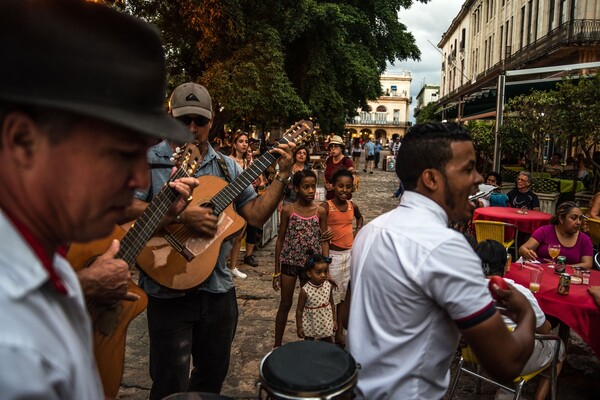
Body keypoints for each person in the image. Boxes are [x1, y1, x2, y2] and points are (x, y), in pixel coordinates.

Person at [0, 1, 197, 398]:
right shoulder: (16, 353)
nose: (141, 177)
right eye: (120, 153)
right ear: (24, 142)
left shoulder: (46, 258)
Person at [128, 82, 295, 399]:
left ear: (211, 122)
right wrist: (179, 217)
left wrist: (281, 177)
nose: (192, 128)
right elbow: (121, 208)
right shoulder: (147, 162)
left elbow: (256, 215)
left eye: (200, 121)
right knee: (168, 382)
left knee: (213, 375)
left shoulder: (227, 167)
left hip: (218, 291)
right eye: (183, 119)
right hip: (166, 289)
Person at [347, 122, 536, 399]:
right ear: (431, 179)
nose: (478, 178)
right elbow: (506, 364)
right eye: (468, 168)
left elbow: (353, 316)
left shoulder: (371, 230)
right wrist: (526, 312)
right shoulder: (445, 247)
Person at [475, 239, 565, 400]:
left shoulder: (464, 289)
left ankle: (507, 389)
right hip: (511, 358)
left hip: (477, 354)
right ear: (506, 265)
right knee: (559, 346)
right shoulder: (518, 292)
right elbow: (543, 330)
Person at [273, 170, 329, 348]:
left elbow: (324, 240)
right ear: (296, 188)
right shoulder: (289, 210)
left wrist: (325, 268)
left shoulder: (320, 211)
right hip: (289, 263)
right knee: (285, 303)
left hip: (310, 267)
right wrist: (276, 270)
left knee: (310, 305)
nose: (311, 190)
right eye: (306, 187)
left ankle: (309, 346)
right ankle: (277, 344)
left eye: (313, 186)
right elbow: (280, 239)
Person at [322, 169, 363, 346]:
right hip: (333, 256)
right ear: (333, 186)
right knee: (330, 294)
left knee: (344, 294)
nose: (344, 190)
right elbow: (318, 228)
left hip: (349, 255)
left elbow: (360, 219)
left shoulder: (353, 206)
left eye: (348, 187)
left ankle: (339, 331)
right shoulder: (326, 207)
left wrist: (357, 230)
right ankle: (327, 330)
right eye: (340, 186)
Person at [519, 201, 593, 269]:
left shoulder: (584, 239)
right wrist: (527, 252)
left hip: (568, 278)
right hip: (540, 271)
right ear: (561, 218)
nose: (578, 222)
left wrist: (562, 267)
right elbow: (523, 248)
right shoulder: (545, 231)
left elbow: (587, 264)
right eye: (573, 218)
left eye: (580, 219)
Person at [296, 252, 337, 343]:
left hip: (325, 322)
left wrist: (334, 320)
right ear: (309, 274)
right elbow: (299, 310)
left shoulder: (328, 286)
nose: (323, 275)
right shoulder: (305, 290)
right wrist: (299, 326)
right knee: (309, 344)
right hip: (310, 323)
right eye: (318, 272)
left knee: (329, 343)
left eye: (325, 271)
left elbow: (332, 304)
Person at [324, 135, 354, 200]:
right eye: (331, 146)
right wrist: (325, 185)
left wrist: (335, 187)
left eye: (336, 146)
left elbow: (352, 180)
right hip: (330, 196)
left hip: (343, 197)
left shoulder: (346, 161)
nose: (333, 148)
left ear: (341, 148)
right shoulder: (329, 159)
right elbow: (325, 175)